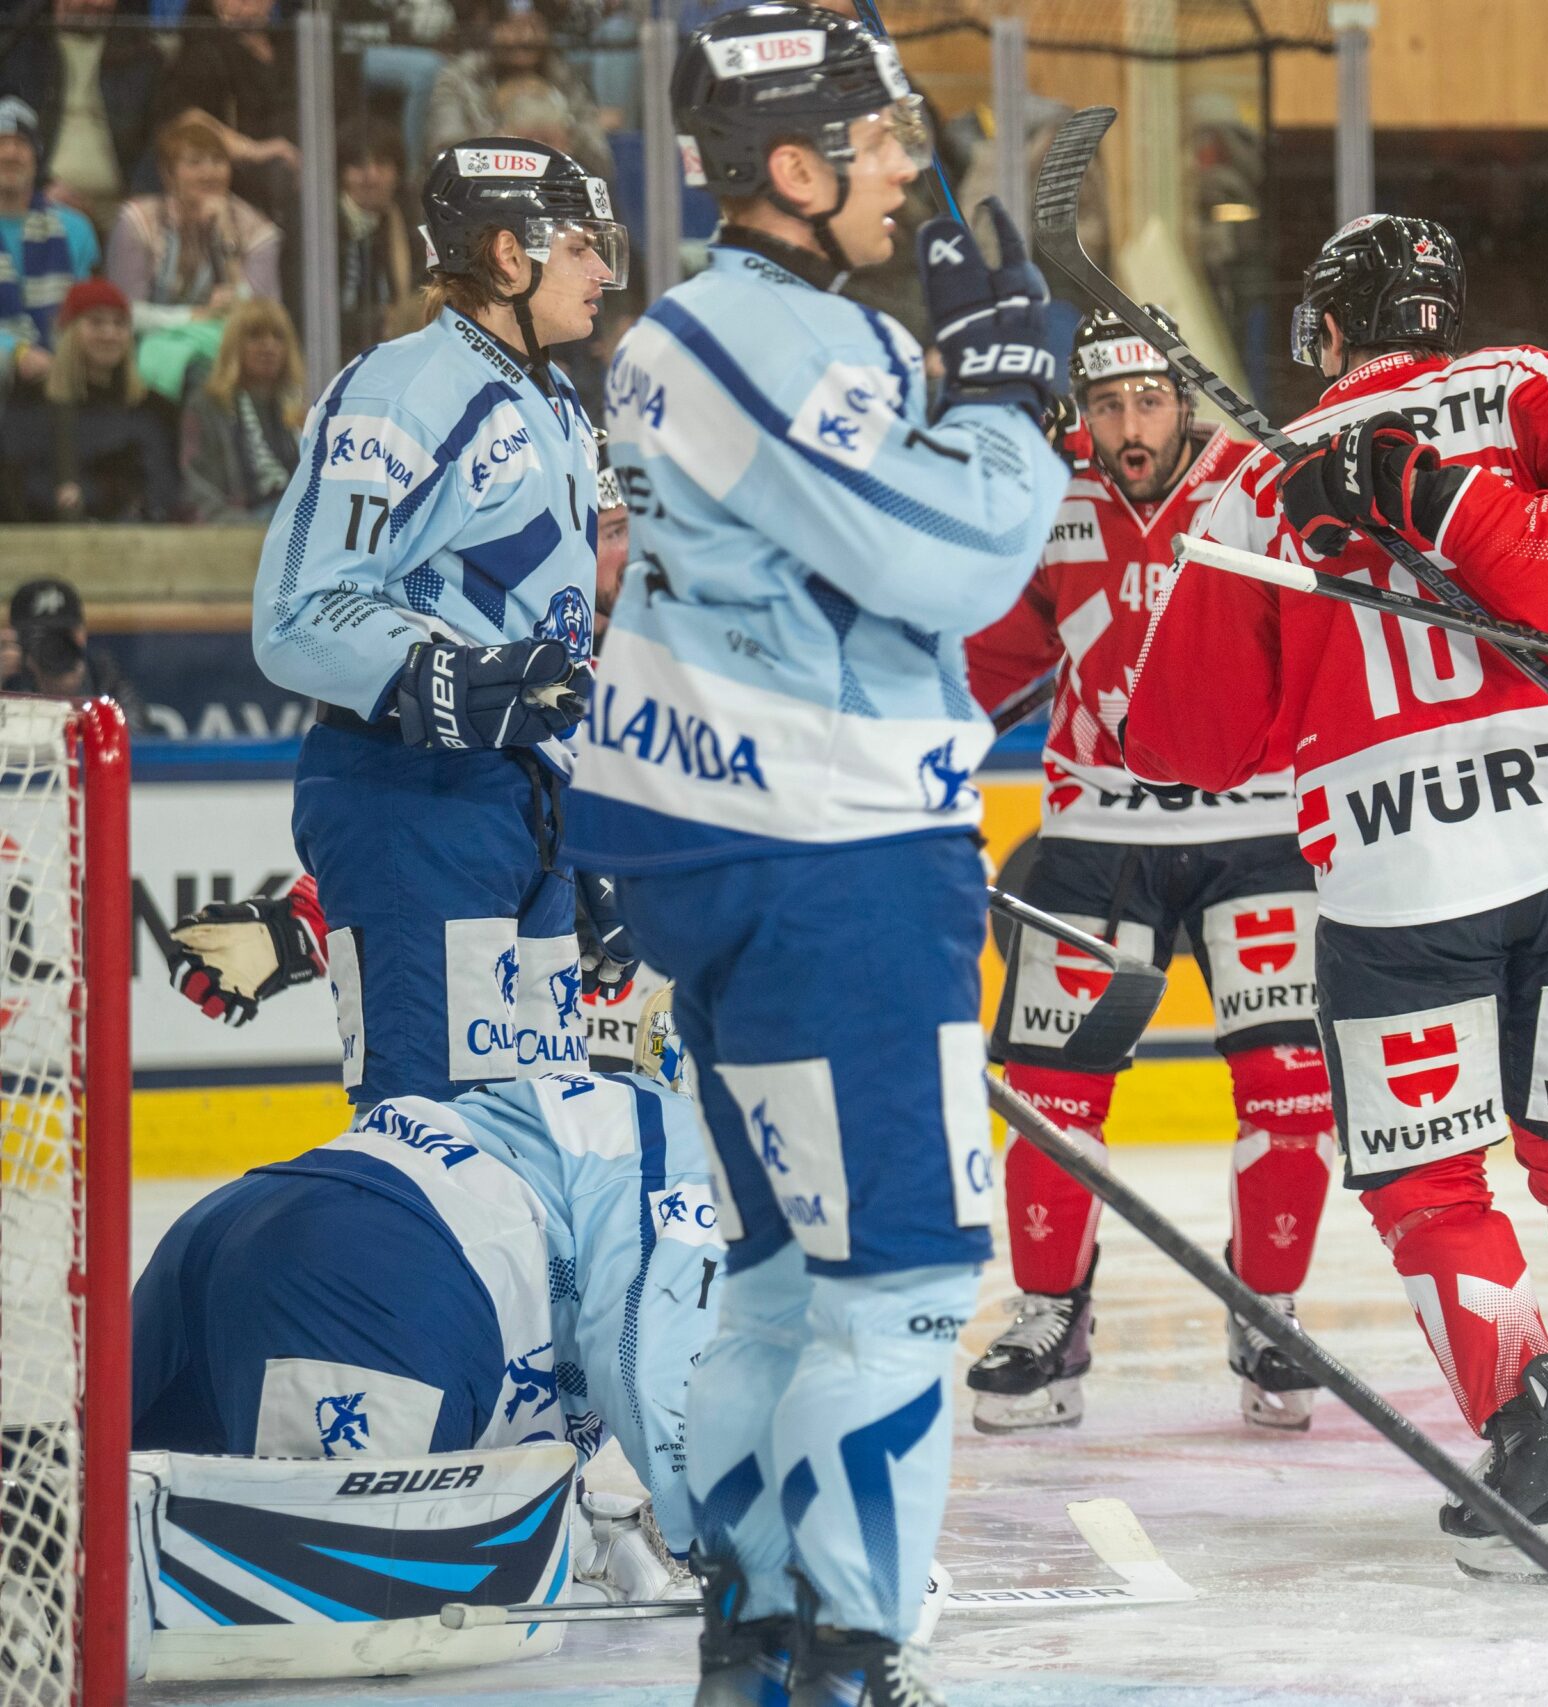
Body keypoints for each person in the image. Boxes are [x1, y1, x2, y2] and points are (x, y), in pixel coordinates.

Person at [1124, 213, 1548, 1580]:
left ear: (1330, 330)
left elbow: (1177, 739)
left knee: (1431, 1177)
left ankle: (1527, 1449)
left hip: (1393, 870)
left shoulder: (1258, 477)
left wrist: (1263, 562)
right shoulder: (1536, 386)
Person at [560, 7, 1066, 1699]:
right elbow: (960, 555)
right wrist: (1005, 404)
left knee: (784, 1278)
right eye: (888, 142)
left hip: (757, 846)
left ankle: (763, 1623)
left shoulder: (734, 330)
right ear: (794, 168)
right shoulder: (756, 337)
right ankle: (841, 1642)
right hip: (829, 852)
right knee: (905, 1280)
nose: (916, 168)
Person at [962, 308, 1331, 1436]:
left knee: (1291, 1097)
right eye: (1110, 405)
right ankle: (1048, 1312)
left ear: (1188, 398)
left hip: (1258, 829)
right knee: (1051, 1097)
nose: (1131, 427)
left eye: (1151, 402)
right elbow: (993, 660)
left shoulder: (1262, 488)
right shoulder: (1053, 502)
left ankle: (1267, 1309)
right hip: (1095, 836)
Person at [250, 134, 623, 1109]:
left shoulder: (556, 401)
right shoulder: (403, 391)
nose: (601, 272)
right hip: (415, 795)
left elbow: (551, 640)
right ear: (508, 255)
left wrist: (577, 828)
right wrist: (448, 677)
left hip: (516, 807)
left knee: (548, 1144)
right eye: (582, 247)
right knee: (438, 1145)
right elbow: (297, 612)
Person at [130, 1038, 715, 1602]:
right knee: (334, 1640)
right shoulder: (704, 1158)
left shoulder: (594, 1117)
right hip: (369, 1291)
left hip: (233, 1228)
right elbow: (658, 1371)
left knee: (93, 1554)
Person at [104, 116, 283, 399]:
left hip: (228, 346)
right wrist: (192, 317)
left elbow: (262, 316)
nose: (209, 173)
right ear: (168, 173)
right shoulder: (138, 221)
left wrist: (226, 237)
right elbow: (126, 312)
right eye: (195, 162)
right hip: (150, 344)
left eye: (218, 161)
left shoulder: (258, 231)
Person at [0, 276, 179, 522]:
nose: (109, 333)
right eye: (96, 322)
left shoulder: (151, 408)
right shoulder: (33, 402)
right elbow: (15, 484)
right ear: (70, 331)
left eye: (119, 324)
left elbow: (161, 489)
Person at [0, 0, 164, 216]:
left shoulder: (141, 55)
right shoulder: (22, 49)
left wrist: (139, 197)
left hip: (123, 208)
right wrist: (41, 187)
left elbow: (160, 134)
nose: (98, 4)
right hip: (41, 202)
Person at [149, 0, 303, 225]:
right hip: (238, 182)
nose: (247, 4)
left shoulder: (292, 44)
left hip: (303, 175)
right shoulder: (201, 51)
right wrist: (255, 150)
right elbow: (186, 119)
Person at [423, 1, 610, 178]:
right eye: (514, 27)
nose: (525, 37)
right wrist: (504, 142)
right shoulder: (460, 78)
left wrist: (565, 139)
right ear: (492, 29)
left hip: (559, 192)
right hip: (482, 196)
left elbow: (602, 161)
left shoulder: (563, 77)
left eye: (535, 26)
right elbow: (443, 154)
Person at [0, 95, 103, 393]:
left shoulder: (75, 229)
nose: (10, 153)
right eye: (1, 143)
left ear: (37, 157)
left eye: (21, 144)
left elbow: (87, 311)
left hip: (63, 362)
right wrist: (16, 351)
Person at [179, 294, 303, 522]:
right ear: (234, 346)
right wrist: (242, 527)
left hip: (296, 523)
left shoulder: (297, 409)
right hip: (239, 525)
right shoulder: (206, 405)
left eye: (278, 337)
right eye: (255, 336)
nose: (269, 346)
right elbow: (195, 489)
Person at [337, 122, 420, 356]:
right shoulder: (323, 229)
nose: (371, 177)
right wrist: (377, 319)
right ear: (341, 173)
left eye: (382, 164)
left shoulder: (409, 227)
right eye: (359, 165)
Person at [3, 572, 140, 708]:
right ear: (18, 640)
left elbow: (136, 727)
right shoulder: (11, 679)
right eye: (40, 635)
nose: (53, 647)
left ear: (81, 634)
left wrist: (78, 696)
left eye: (62, 635)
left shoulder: (99, 672)